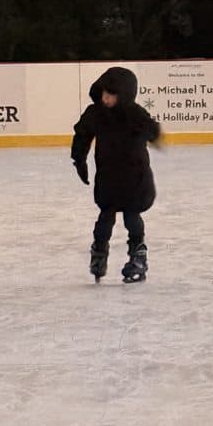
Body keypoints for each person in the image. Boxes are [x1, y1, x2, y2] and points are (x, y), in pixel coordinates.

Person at [71, 66, 160, 283]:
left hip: (134, 178)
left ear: (124, 95)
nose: (105, 98)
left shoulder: (135, 114)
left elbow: (152, 130)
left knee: (132, 217)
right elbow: (82, 135)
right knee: (105, 218)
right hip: (109, 178)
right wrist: (79, 159)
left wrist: (150, 133)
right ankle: (99, 252)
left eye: (111, 95)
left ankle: (138, 256)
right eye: (103, 93)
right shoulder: (96, 114)